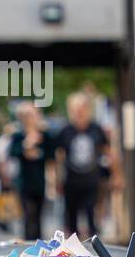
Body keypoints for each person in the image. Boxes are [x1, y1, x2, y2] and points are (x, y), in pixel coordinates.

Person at [56, 92, 108, 239]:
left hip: (92, 180)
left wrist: (115, 175)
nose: (79, 112)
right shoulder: (65, 131)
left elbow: (108, 153)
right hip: (71, 181)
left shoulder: (96, 129)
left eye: (82, 108)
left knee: (92, 218)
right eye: (75, 109)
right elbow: (59, 157)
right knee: (71, 220)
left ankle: (95, 251)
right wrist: (56, 179)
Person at [12, 101, 55, 241]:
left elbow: (51, 156)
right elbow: (12, 152)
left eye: (33, 115)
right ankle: (28, 244)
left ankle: (39, 245)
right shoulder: (18, 135)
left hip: (40, 183)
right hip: (24, 183)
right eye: (27, 115)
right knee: (28, 216)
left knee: (39, 217)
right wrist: (27, 144)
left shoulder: (45, 136)